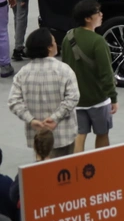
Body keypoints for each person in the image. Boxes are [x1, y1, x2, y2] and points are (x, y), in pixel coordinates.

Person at [7, 29, 78, 158]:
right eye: (54, 41)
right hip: (63, 135)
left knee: (42, 170)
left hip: (38, 137)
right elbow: (73, 98)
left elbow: (13, 101)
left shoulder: (23, 73)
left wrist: (31, 120)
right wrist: (55, 117)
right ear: (49, 47)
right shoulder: (64, 70)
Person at [59, 0, 117, 153]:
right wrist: (113, 97)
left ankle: (77, 166)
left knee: (79, 134)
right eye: (98, 13)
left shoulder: (68, 37)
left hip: (76, 99)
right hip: (98, 98)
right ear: (88, 18)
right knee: (102, 133)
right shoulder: (98, 42)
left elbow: (64, 67)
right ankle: (101, 165)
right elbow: (106, 74)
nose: (101, 15)